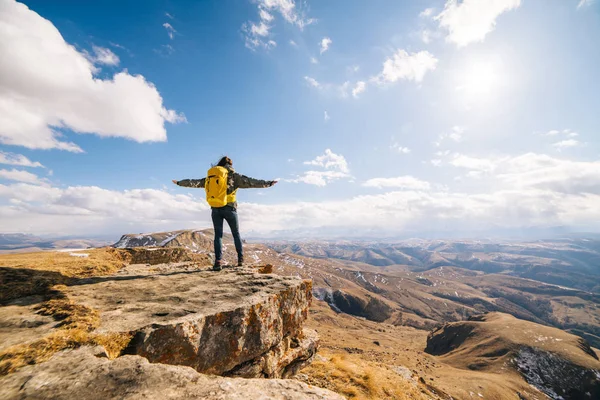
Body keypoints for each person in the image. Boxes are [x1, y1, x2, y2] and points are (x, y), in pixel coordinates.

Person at [172, 156, 277, 271]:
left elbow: (195, 182)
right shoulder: (234, 176)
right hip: (230, 208)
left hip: (215, 208)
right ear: (230, 165)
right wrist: (269, 183)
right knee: (236, 234)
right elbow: (252, 182)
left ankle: (218, 262)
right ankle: (240, 260)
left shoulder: (212, 177)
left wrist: (179, 183)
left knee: (218, 235)